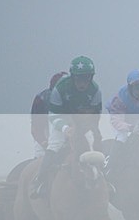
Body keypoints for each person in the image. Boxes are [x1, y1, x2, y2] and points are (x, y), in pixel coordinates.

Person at [30, 56, 102, 198]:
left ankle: (105, 177)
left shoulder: (95, 90)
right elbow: (53, 116)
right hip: (60, 118)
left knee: (93, 142)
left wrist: (89, 127)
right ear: (73, 77)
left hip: (82, 120)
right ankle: (40, 181)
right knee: (55, 145)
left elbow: (96, 114)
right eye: (79, 78)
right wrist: (66, 129)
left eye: (86, 78)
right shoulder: (60, 88)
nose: (83, 83)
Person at [105, 69, 139, 175]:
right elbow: (116, 121)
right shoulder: (120, 98)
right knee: (122, 137)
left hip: (137, 118)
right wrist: (130, 128)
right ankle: (110, 166)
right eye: (137, 87)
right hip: (120, 120)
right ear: (130, 87)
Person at [31, 72, 68, 158]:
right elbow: (36, 129)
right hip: (45, 144)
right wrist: (44, 143)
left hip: (67, 142)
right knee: (43, 157)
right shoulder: (40, 100)